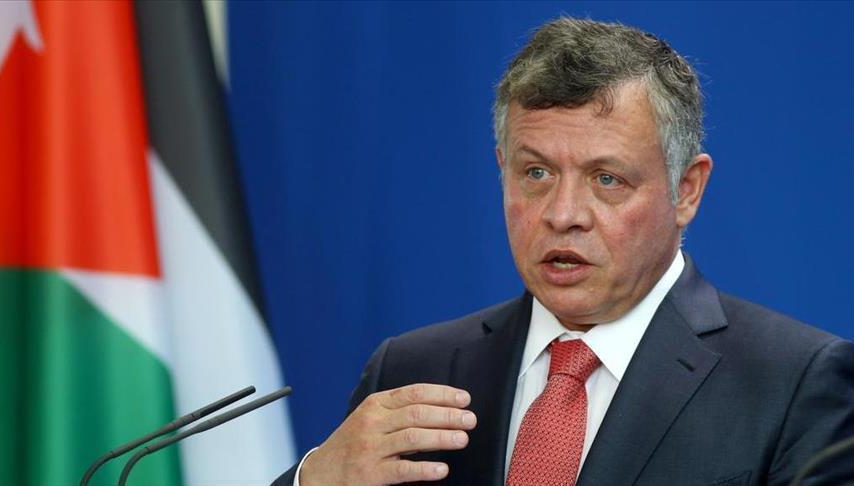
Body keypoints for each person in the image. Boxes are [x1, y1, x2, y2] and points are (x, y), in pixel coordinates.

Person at [273, 17, 854, 486]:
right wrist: (313, 479)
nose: (562, 213)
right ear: (502, 170)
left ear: (686, 191)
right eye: (536, 172)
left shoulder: (795, 383)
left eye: (607, 179)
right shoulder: (411, 369)